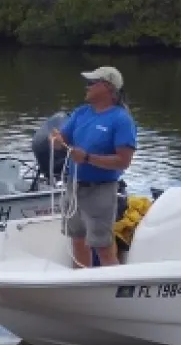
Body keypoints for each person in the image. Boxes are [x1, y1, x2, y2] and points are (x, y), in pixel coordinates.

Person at [50, 66, 137, 268]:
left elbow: (124, 161)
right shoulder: (81, 113)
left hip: (101, 190)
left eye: (91, 83)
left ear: (107, 87)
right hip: (74, 186)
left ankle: (115, 289)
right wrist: (56, 140)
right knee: (77, 239)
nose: (86, 87)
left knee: (103, 247)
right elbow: (63, 137)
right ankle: (80, 285)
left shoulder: (121, 119)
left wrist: (88, 158)